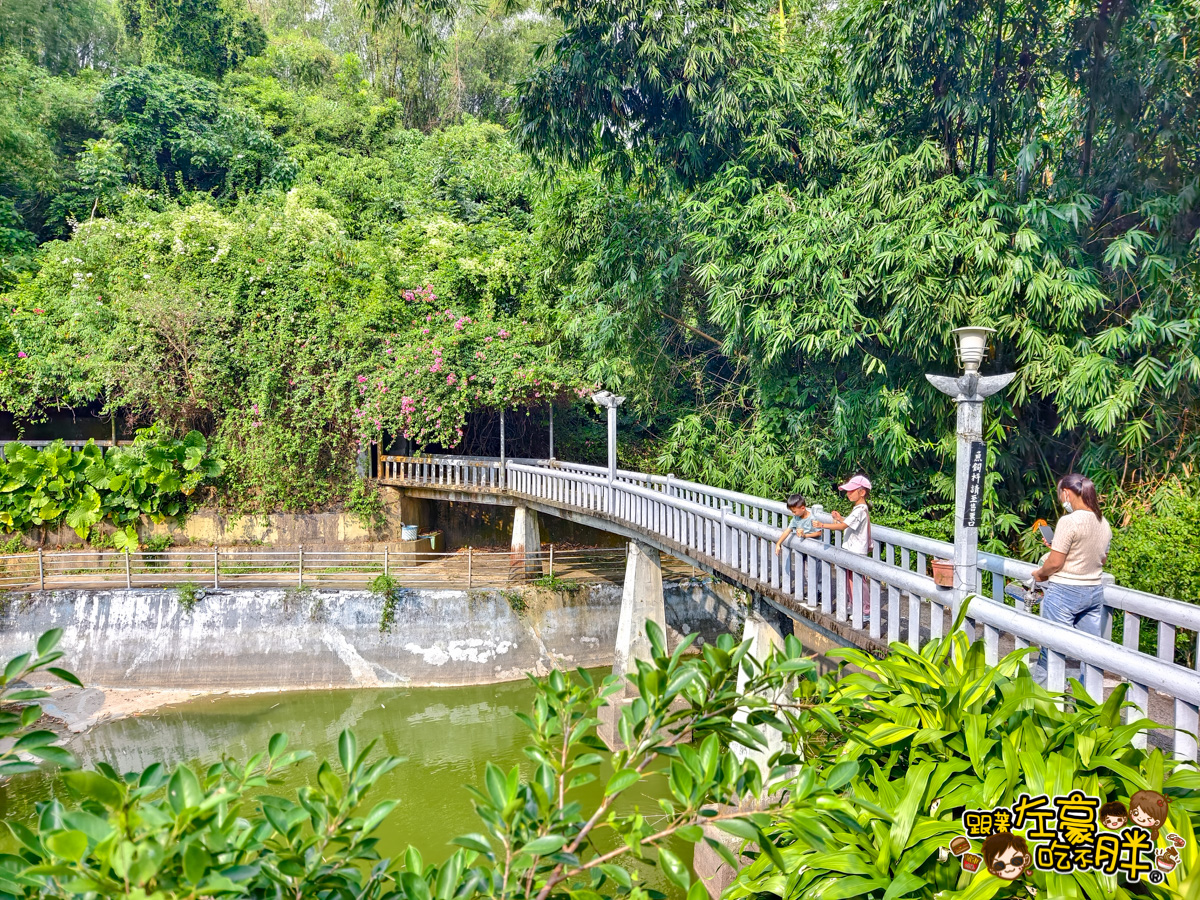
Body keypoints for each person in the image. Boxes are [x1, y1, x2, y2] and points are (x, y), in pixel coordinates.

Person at [1029, 473, 1113, 684]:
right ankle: (1087, 704)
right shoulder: (1103, 522)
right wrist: (1058, 547)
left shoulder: (1069, 521)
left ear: (1067, 493)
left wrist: (1040, 574)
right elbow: (1101, 560)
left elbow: (1055, 563)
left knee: (1052, 650)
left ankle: (1041, 703)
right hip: (1093, 591)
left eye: (1060, 496)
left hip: (1064, 592)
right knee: (1089, 653)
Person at [813, 474, 873, 621]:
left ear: (862, 492)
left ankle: (866, 610)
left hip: (857, 551)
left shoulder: (860, 509)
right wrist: (840, 518)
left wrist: (823, 525)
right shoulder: (858, 509)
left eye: (851, 491)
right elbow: (848, 523)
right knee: (851, 580)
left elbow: (842, 527)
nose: (848, 494)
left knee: (858, 581)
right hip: (853, 549)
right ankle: (855, 606)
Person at [775, 494, 821, 595]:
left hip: (813, 550)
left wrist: (805, 536)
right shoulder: (796, 518)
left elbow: (819, 533)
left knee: (811, 572)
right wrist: (778, 543)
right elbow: (788, 530)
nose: (793, 514)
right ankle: (812, 592)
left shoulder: (812, 518)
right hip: (802, 549)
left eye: (794, 511)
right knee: (804, 571)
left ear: (803, 508)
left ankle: (816, 592)